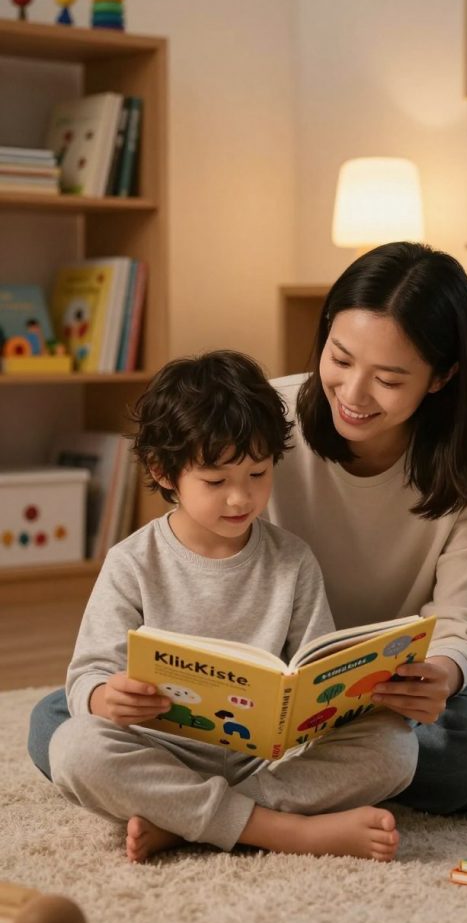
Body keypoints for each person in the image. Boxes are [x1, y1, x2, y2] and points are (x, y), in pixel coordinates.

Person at [29, 243, 467, 816]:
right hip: (250, 685)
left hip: (385, 690)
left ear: (440, 377)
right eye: (340, 357)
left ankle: (183, 805)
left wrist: (441, 674)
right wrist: (112, 697)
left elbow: (466, 623)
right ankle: (263, 810)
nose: (353, 395)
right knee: (58, 721)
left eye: (387, 378)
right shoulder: (264, 423)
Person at [41, 350, 417, 863]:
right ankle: (287, 832)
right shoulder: (132, 562)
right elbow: (88, 671)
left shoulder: (293, 561)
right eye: (216, 482)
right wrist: (106, 697)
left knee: (396, 748)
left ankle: (183, 822)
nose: (241, 499)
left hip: (267, 764)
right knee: (74, 749)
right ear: (165, 472)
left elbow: (316, 670)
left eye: (258, 474)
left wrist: (343, 696)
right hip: (163, 751)